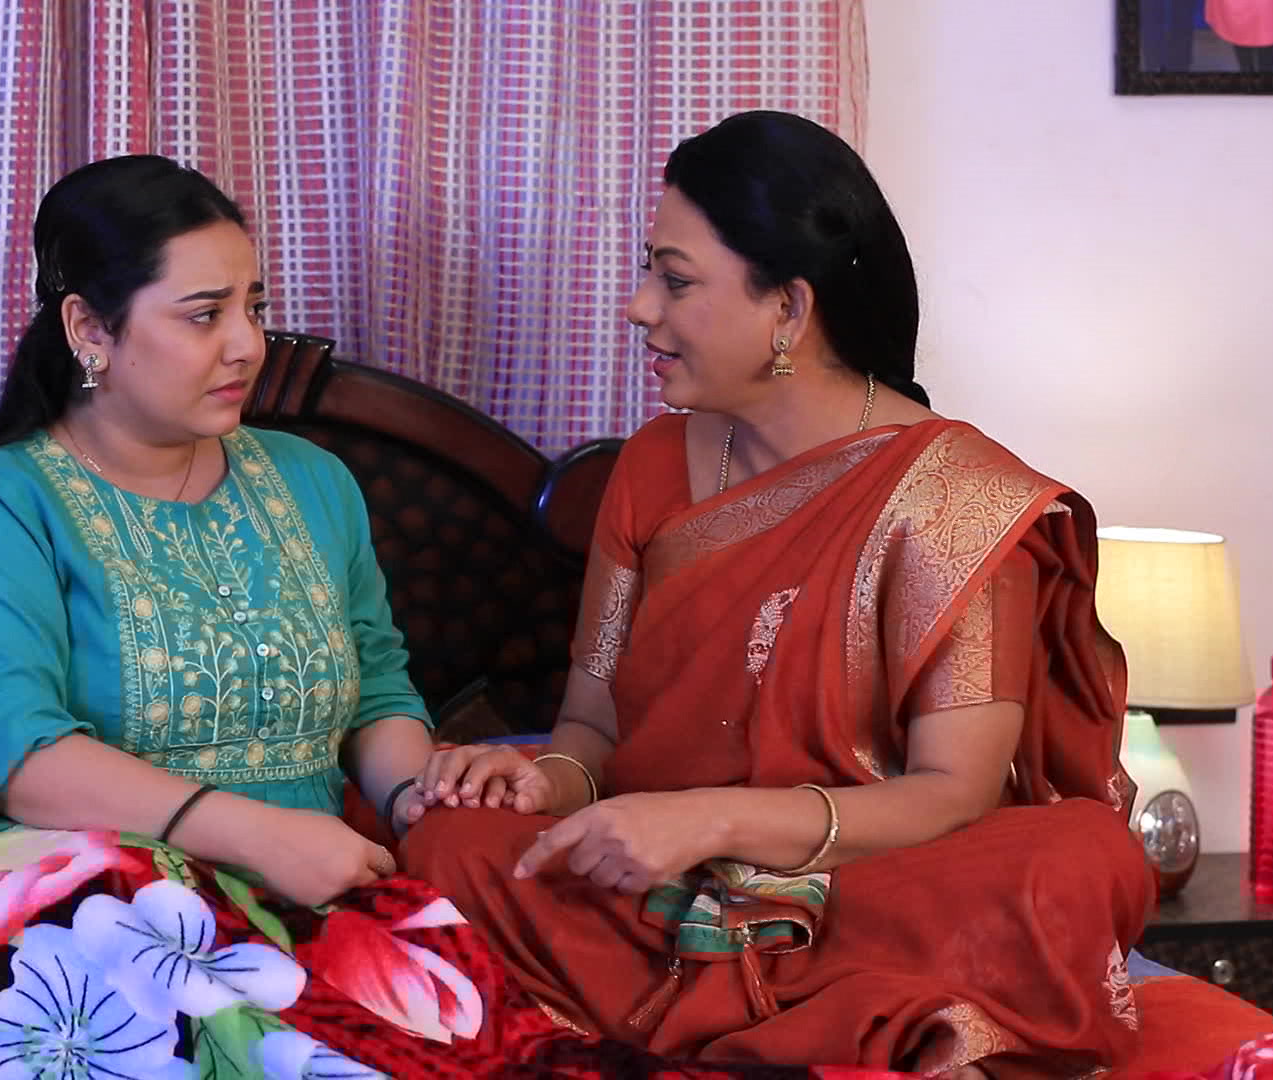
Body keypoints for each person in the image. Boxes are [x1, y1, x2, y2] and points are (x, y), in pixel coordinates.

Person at [400, 111, 1157, 1078]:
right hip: (655, 883)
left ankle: (836, 1011)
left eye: (675, 280)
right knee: (451, 841)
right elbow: (590, 731)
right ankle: (855, 1027)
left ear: (790, 309)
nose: (638, 307)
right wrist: (539, 781)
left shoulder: (952, 499)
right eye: (648, 273)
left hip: (866, 884)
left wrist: (713, 820)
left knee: (1076, 863)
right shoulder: (652, 466)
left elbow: (953, 792)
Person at [0, 155, 439, 906]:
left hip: (299, 874)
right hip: (63, 872)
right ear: (90, 329)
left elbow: (377, 691)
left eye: (253, 308)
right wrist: (256, 837)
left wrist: (417, 797)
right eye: (205, 315)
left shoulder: (313, 480)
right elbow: (15, 750)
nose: (248, 345)